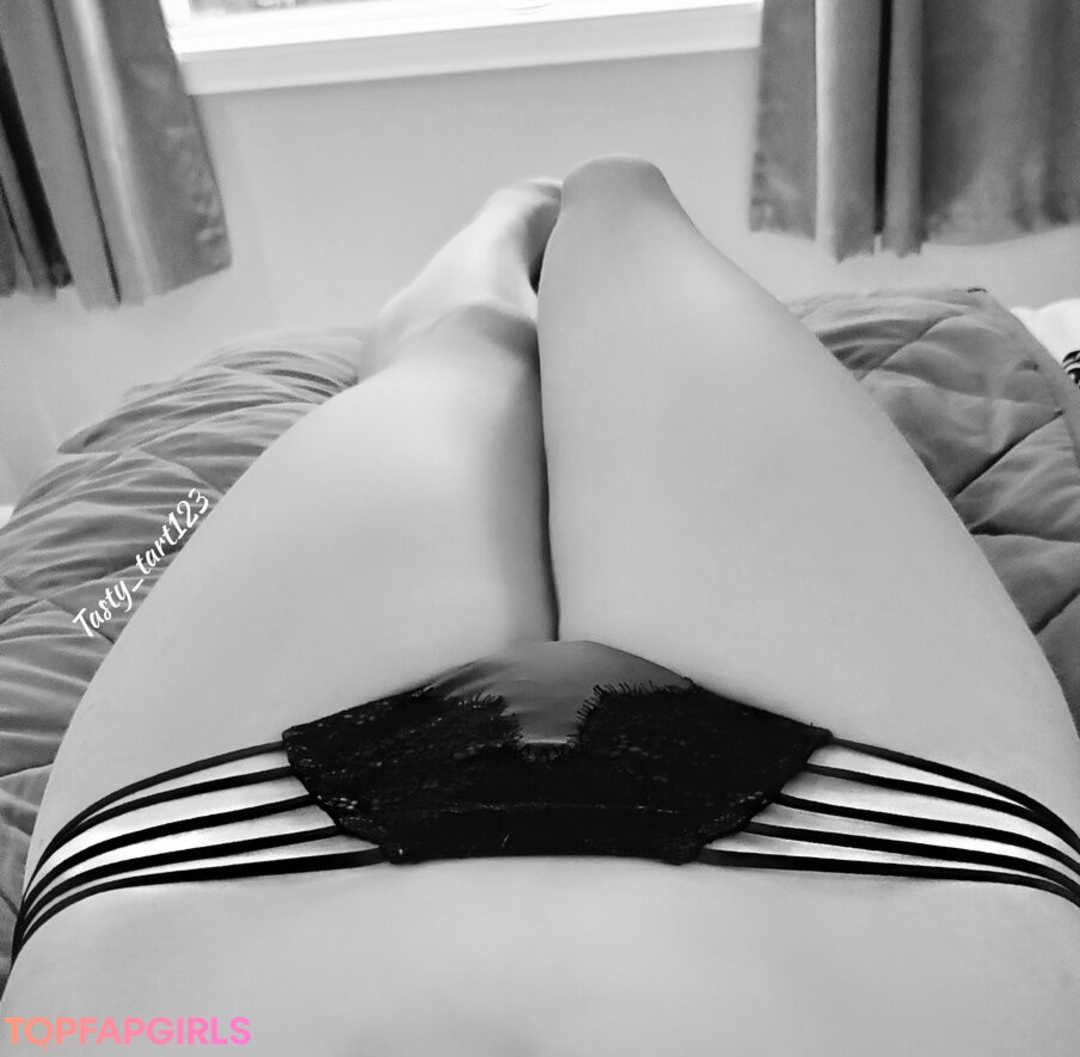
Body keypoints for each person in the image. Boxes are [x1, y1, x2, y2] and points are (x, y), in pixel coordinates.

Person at [2, 158, 1079, 1056]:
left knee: (464, 352)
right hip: (891, 849)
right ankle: (548, 217)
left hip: (206, 873)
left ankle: (510, 224)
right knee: (621, 210)